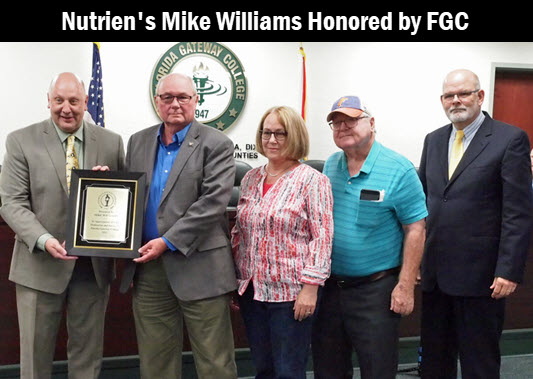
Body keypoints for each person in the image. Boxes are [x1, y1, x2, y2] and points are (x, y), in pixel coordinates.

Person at [0, 72, 125, 379]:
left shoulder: (111, 142)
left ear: (85, 102)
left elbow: (125, 201)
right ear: (48, 101)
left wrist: (109, 182)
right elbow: (12, 203)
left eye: (73, 101)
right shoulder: (21, 140)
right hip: (39, 265)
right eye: (59, 101)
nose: (66, 108)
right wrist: (43, 239)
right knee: (34, 359)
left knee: (88, 357)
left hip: (91, 268)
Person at [119, 73, 238, 379]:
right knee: (155, 362)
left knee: (215, 362)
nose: (175, 104)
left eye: (182, 97)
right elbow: (128, 194)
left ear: (196, 101)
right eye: (167, 97)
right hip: (149, 270)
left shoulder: (218, 144)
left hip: (200, 266)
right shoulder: (138, 141)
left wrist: (167, 241)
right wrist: (106, 182)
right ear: (157, 101)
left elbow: (212, 204)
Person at [418, 69, 533, 379]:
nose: (456, 100)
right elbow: (425, 204)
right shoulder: (433, 140)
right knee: (433, 362)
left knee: (478, 363)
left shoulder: (510, 139)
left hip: (481, 280)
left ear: (480, 96)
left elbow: (518, 212)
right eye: (448, 96)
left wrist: (508, 270)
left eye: (464, 93)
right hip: (435, 276)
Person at [311, 96, 428, 379]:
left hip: (376, 291)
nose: (342, 127)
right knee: (328, 369)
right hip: (331, 290)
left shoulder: (398, 168)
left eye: (351, 120)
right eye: (336, 122)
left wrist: (405, 285)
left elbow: (416, 229)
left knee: (377, 370)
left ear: (372, 123)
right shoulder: (331, 166)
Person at [231, 105, 333, 379]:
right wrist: (237, 281)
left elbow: (322, 238)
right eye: (266, 133)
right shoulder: (251, 178)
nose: (272, 140)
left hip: (291, 294)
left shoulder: (313, 181)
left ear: (295, 136)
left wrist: (311, 288)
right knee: (264, 367)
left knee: (288, 370)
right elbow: (240, 232)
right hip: (253, 290)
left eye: (280, 133)